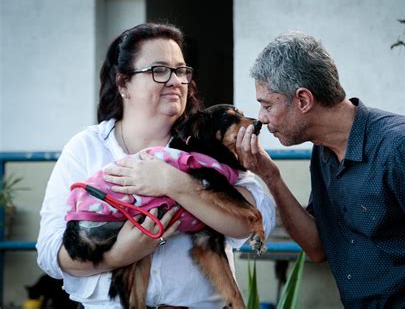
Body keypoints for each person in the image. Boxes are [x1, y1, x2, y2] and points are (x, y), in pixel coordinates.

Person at [36, 22, 275, 309]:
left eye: (181, 71)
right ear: (123, 82)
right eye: (159, 71)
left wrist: (174, 183)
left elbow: (253, 219)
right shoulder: (87, 147)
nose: (175, 81)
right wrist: (118, 255)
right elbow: (50, 253)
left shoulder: (206, 143)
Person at [235, 31, 405, 308]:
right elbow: (316, 248)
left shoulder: (403, 147)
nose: (261, 119)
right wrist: (270, 176)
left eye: (266, 105)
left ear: (303, 100)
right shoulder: (322, 153)